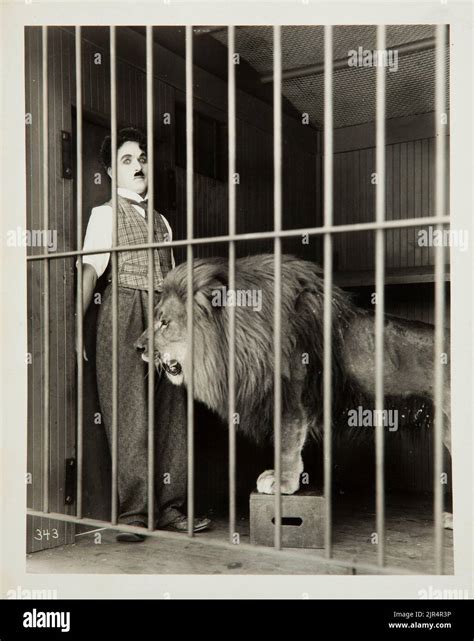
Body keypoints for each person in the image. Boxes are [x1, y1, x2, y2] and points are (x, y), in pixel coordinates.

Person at [77, 127, 210, 542]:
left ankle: (170, 507)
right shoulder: (104, 215)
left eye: (142, 158)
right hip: (123, 310)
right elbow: (89, 272)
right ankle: (134, 514)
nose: (138, 166)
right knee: (129, 410)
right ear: (111, 172)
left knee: (172, 408)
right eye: (127, 160)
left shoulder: (163, 222)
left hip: (163, 314)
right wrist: (76, 325)